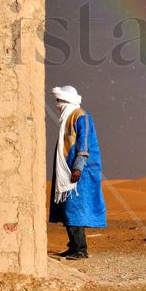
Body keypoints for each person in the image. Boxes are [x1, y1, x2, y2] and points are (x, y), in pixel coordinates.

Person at [48, 85, 106, 260]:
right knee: (67, 208)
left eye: (60, 101)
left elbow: (84, 143)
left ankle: (80, 249)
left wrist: (78, 167)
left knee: (76, 209)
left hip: (81, 171)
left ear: (67, 100)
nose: (58, 105)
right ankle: (73, 246)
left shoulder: (80, 116)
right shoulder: (67, 118)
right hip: (67, 169)